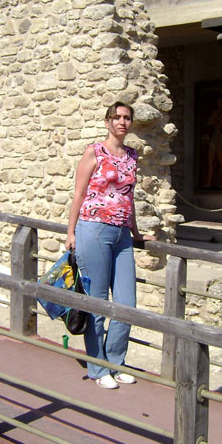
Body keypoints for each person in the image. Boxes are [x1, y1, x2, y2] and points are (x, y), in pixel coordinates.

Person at [65, 101, 154, 389]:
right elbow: (78, 195)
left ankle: (116, 362)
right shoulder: (94, 151)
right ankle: (98, 367)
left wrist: (136, 233)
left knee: (127, 304)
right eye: (116, 117)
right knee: (98, 302)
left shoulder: (131, 156)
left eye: (126, 118)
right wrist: (70, 232)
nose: (122, 122)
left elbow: (128, 197)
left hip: (122, 236)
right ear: (107, 122)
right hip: (93, 230)